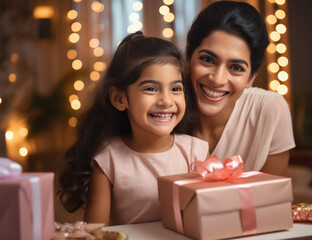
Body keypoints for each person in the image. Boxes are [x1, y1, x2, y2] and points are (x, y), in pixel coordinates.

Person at [58, 32, 209, 225]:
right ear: (119, 99)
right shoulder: (108, 159)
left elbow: (207, 220)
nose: (166, 101)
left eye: (175, 89)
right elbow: (95, 233)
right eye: (151, 89)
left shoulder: (195, 152)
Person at [185, 1, 295, 176]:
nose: (218, 79)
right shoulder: (166, 108)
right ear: (188, 56)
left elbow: (269, 199)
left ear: (251, 77)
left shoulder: (269, 110)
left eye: (236, 68)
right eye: (207, 59)